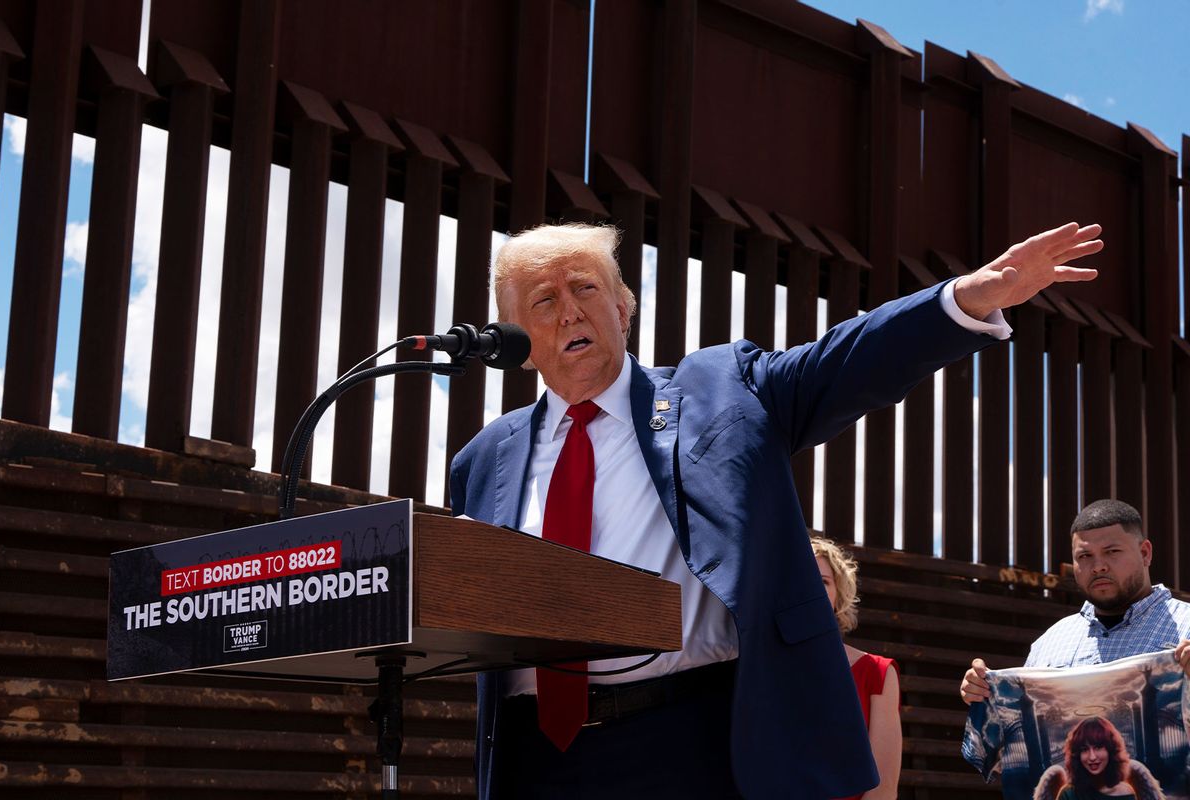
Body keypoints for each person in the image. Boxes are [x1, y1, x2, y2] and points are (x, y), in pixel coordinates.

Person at [450, 220, 1102, 799]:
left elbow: (845, 361)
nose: (570, 312)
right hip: (532, 757)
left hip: (690, 739)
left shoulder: (723, 391)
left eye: (586, 289)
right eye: (544, 301)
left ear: (625, 308)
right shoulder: (483, 461)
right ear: (518, 342)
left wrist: (968, 298)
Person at [960, 499, 1190, 707]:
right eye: (1085, 556)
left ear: (1145, 553)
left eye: (1112, 551)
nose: (1098, 566)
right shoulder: (1049, 644)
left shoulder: (1186, 626)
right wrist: (984, 694)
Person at [813, 536, 901, 800]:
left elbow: (883, 791)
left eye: (824, 581)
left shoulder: (878, 672)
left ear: (838, 596)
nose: (813, 587)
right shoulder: (755, 668)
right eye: (801, 577)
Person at [1055, 717, 1136, 799]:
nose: (1092, 757)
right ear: (1077, 755)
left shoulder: (1126, 793)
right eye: (1084, 749)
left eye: (1098, 747)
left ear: (1111, 750)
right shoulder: (1068, 794)